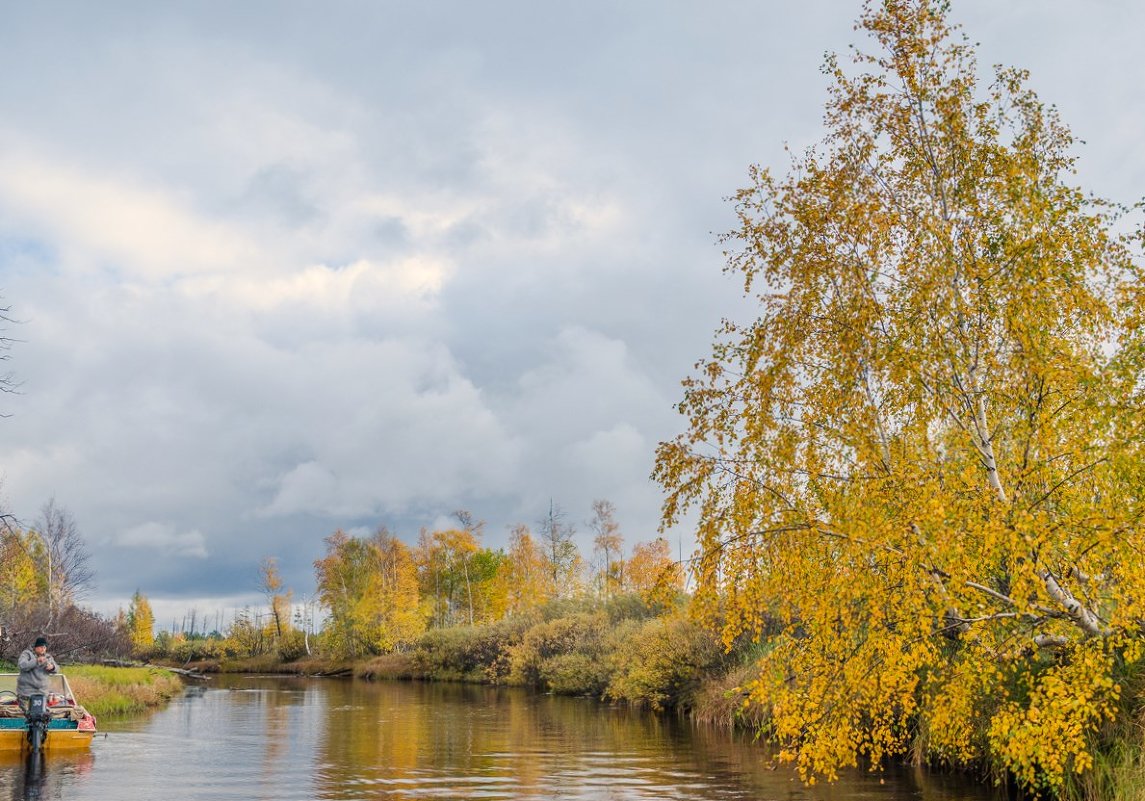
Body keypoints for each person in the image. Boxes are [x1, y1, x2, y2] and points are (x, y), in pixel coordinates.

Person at [17, 637, 57, 704]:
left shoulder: (48, 657)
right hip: (27, 694)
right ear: (36, 647)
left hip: (43, 693)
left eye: (44, 647)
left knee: (43, 712)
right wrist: (36, 660)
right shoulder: (27, 654)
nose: (43, 649)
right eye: (41, 647)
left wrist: (52, 667)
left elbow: (57, 668)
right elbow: (22, 665)